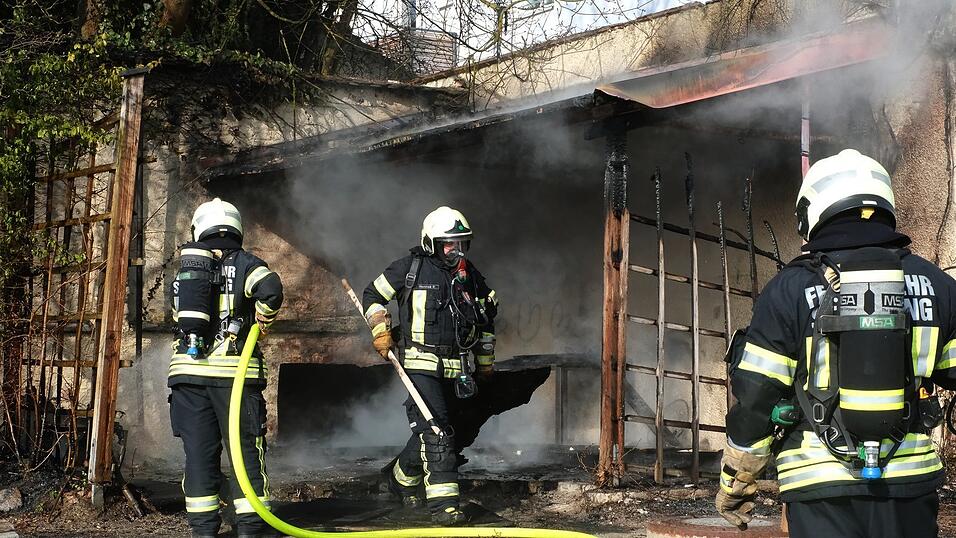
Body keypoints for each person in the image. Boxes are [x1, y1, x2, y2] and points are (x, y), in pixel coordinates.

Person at [717, 149, 956, 538]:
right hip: (910, 484)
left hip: (819, 485)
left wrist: (736, 483)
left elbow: (757, 394)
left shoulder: (791, 288)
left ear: (815, 210)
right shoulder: (936, 284)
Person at [362, 206, 498, 526]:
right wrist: (380, 330)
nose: (456, 250)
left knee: (437, 429)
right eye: (449, 244)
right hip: (420, 364)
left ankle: (400, 478)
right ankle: (444, 506)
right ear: (430, 243)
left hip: (457, 368)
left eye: (461, 243)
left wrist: (485, 365)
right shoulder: (409, 269)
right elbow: (373, 295)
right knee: (438, 431)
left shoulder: (469, 275)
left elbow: (487, 318)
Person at [169, 198, 283, 538]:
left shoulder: (187, 270)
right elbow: (272, 289)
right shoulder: (246, 263)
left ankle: (204, 530)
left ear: (199, 229)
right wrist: (264, 314)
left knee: (199, 457)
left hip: (188, 377)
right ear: (236, 228)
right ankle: (250, 527)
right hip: (235, 378)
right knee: (245, 453)